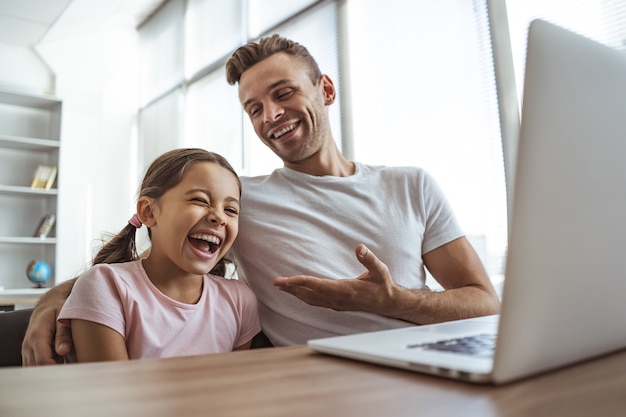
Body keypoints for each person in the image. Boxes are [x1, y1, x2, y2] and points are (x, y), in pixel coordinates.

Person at [21, 35, 499, 365]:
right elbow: (144, 251)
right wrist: (51, 301)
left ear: (325, 89)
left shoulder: (411, 184)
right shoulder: (238, 200)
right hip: (312, 383)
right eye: (254, 108)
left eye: (284, 93)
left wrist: (392, 300)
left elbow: (484, 303)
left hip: (426, 369)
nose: (271, 115)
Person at [56, 148, 260, 362]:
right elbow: (113, 392)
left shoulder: (240, 301)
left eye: (231, 210)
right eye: (200, 201)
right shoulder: (106, 286)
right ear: (149, 212)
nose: (219, 217)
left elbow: (233, 387)